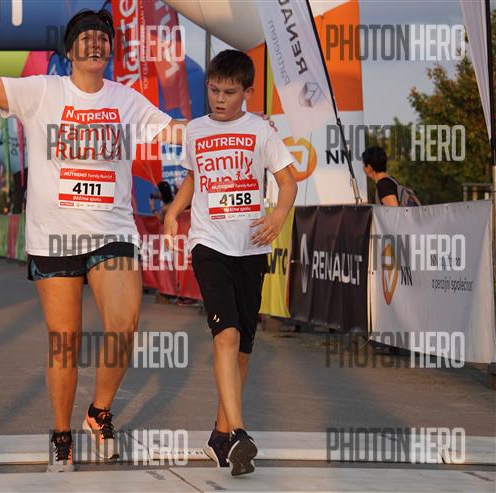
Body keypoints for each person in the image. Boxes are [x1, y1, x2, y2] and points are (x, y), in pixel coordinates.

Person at [0, 0, 184, 472]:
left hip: (111, 232)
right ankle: (61, 434)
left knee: (124, 324)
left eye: (102, 38)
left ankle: (99, 412)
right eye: (86, 38)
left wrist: (234, 128)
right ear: (70, 51)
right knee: (64, 342)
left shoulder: (125, 99)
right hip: (54, 238)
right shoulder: (42, 91)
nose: (96, 44)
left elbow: (174, 132)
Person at [164, 50, 298, 477]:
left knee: (242, 349)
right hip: (209, 243)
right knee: (226, 334)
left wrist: (277, 216)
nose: (219, 99)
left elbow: (288, 183)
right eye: (214, 90)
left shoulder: (261, 130)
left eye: (229, 92)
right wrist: (174, 211)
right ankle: (239, 432)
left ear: (247, 92)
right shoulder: (195, 130)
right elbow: (193, 177)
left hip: (251, 247)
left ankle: (221, 436)